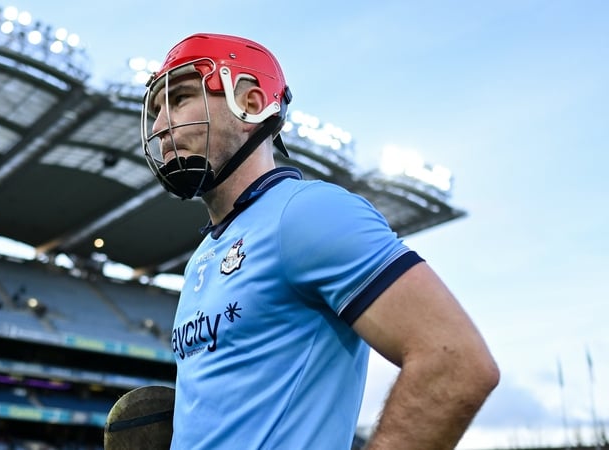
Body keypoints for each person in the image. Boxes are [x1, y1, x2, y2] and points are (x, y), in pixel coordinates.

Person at [140, 32, 499, 450]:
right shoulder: (202, 256)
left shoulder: (308, 213)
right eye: (156, 110)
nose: (161, 125)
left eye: (180, 98)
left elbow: (456, 363)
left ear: (251, 104)